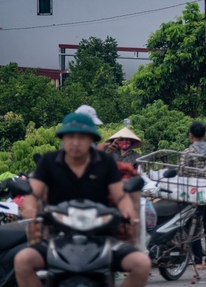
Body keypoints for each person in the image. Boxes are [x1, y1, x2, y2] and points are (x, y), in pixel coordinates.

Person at [15, 113, 151, 287]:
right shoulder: (48, 161)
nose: (75, 142)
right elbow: (33, 192)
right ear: (63, 138)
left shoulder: (106, 162)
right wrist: (30, 205)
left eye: (81, 137)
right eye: (70, 136)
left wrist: (127, 209)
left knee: (141, 264)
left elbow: (120, 195)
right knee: (22, 260)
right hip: (59, 238)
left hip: (101, 238)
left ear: (92, 139)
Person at [185, 122, 206, 271]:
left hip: (194, 194)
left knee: (193, 225)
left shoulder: (188, 153)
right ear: (205, 135)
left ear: (191, 135)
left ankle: (198, 261)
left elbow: (182, 174)